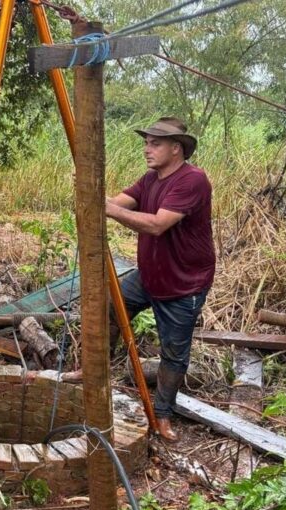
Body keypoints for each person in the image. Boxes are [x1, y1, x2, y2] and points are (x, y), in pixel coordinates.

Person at [105, 117, 215, 442]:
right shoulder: (151, 178)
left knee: (174, 352)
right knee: (112, 308)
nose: (147, 149)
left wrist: (107, 210)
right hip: (150, 276)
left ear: (176, 149)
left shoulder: (192, 180)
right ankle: (95, 371)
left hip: (184, 284)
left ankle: (163, 413)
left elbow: (156, 224)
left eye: (155, 143)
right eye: (146, 142)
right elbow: (118, 203)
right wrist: (91, 192)